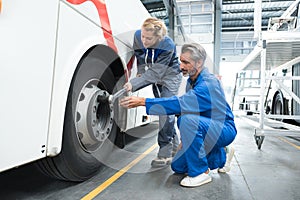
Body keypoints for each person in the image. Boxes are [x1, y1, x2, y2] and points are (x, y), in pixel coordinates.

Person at [120, 43, 237, 187]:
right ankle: (223, 154)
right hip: (206, 126)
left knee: (187, 120)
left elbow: (181, 103)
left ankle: (200, 173)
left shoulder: (208, 83)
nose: (181, 66)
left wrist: (144, 101)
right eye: (181, 61)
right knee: (178, 166)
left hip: (222, 129)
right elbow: (189, 109)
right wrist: (186, 139)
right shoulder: (192, 81)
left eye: (186, 62)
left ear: (199, 62)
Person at [124, 17, 182, 167]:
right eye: (143, 36)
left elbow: (157, 73)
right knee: (164, 113)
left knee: (165, 110)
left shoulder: (167, 44)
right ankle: (175, 147)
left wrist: (134, 84)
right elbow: (140, 54)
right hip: (154, 74)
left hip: (170, 76)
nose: (144, 40)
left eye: (148, 38)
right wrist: (141, 71)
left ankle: (164, 153)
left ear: (158, 37)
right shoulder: (138, 36)